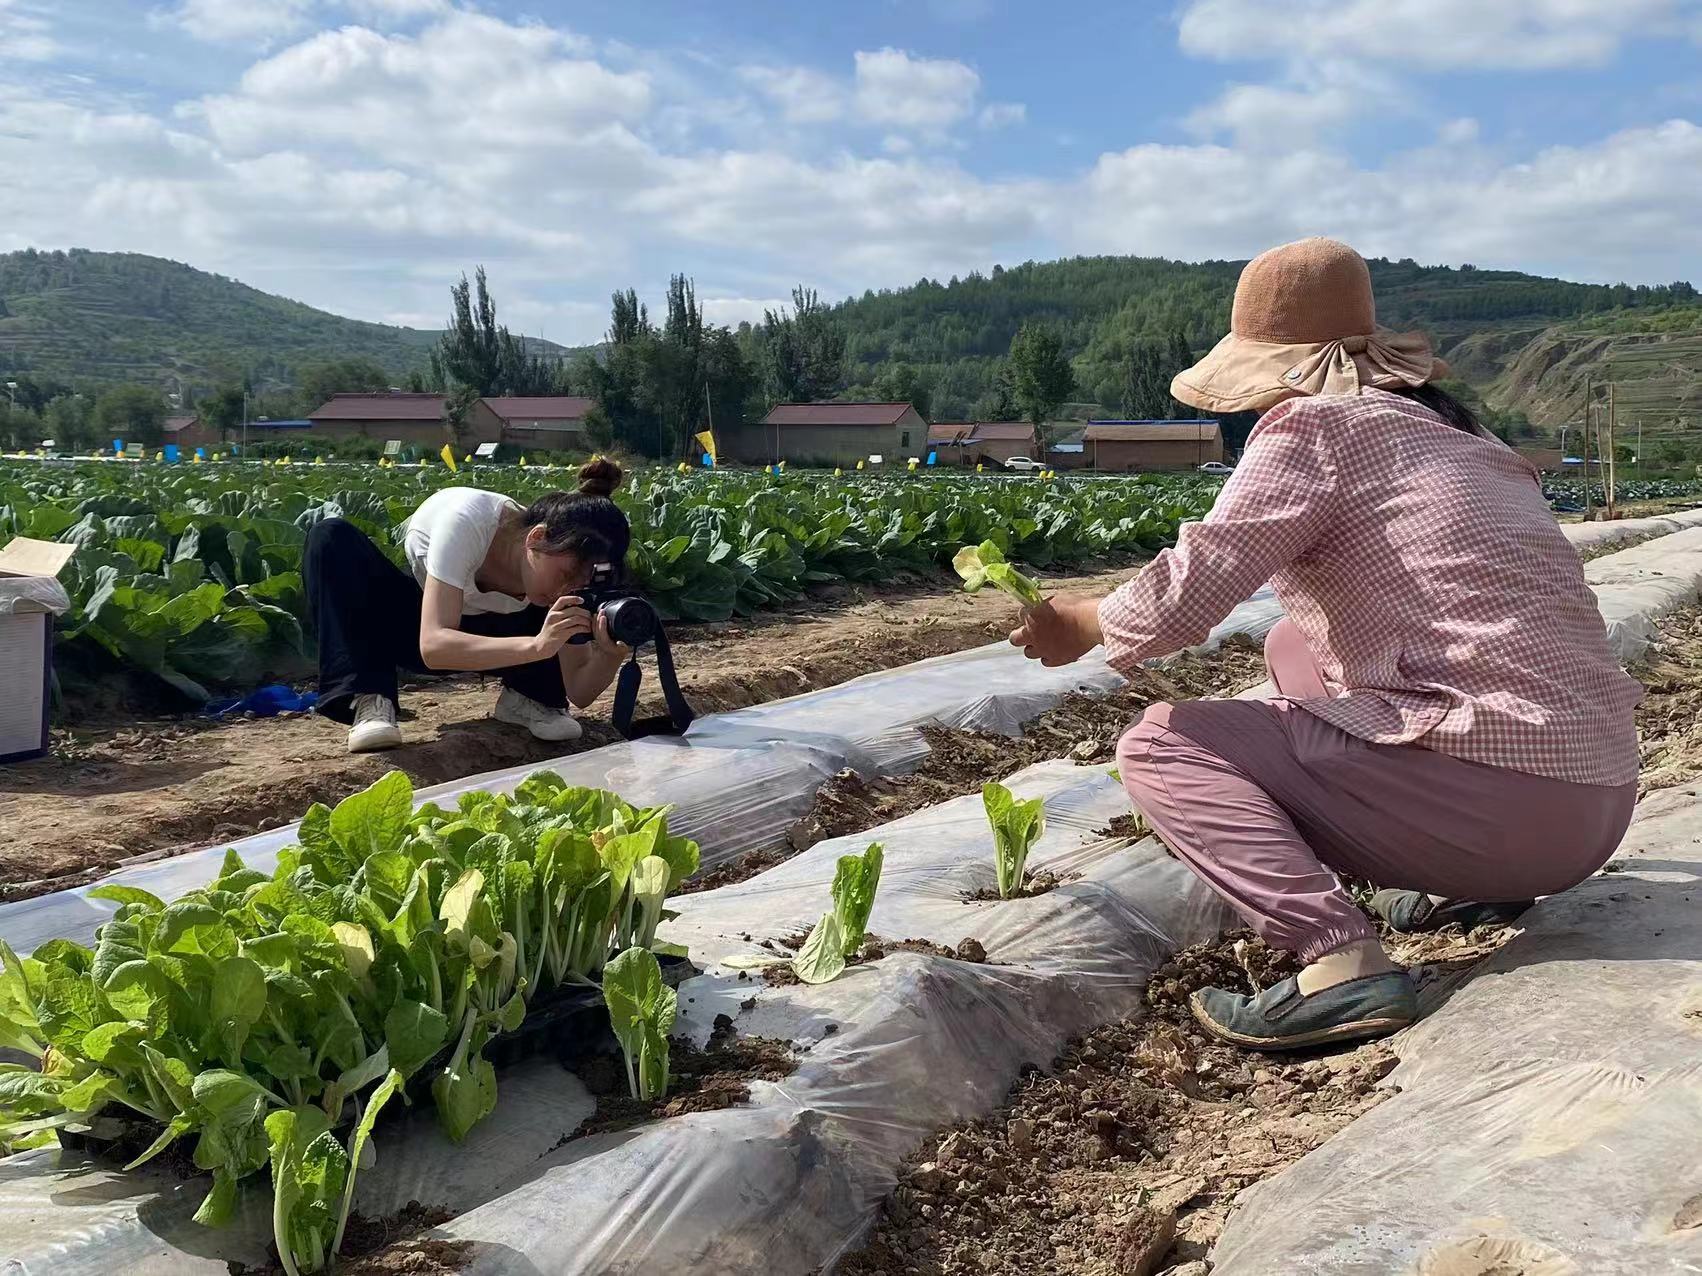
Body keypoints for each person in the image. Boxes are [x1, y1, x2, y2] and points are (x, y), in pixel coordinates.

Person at [1011, 237, 1639, 1052]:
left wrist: (1082, 621)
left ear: (1278, 368)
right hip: (1595, 805)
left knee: (1162, 745)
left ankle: (1341, 963)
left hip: (1504, 813)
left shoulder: (1312, 426)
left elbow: (1190, 590)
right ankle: (1452, 886)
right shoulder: (1465, 437)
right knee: (1291, 644)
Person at [304, 457, 634, 753]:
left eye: (580, 583)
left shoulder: (555, 571)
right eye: (565, 576)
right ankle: (370, 696)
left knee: (548, 610)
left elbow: (580, 691)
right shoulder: (467, 520)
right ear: (536, 538)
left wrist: (610, 655)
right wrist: (537, 646)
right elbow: (434, 647)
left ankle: (529, 698)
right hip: (418, 627)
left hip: (498, 638)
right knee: (330, 537)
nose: (567, 590)